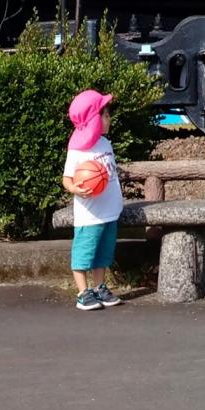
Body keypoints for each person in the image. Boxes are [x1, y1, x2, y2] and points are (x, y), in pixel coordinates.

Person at [62, 87, 124, 310]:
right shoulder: (78, 149)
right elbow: (67, 179)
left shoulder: (105, 144)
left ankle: (99, 287)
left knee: (103, 254)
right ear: (93, 119)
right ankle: (83, 293)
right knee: (83, 253)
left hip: (108, 212)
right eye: (105, 115)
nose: (109, 119)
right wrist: (75, 189)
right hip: (90, 214)